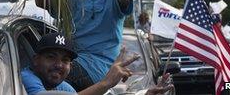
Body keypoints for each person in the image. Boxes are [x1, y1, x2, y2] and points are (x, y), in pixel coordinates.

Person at [21, 32, 172, 95]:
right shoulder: (25, 77)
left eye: (65, 60)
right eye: (51, 57)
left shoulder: (62, 87)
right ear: (35, 60)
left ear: (71, 66)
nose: (59, 65)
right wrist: (105, 83)